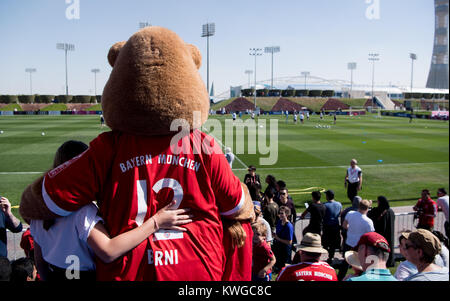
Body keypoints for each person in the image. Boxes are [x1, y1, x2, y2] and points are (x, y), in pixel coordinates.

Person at [31, 140, 193, 281]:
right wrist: (156, 222)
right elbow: (108, 251)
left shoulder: (38, 210)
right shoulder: (81, 211)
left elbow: (40, 263)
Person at [338, 199, 375, 280]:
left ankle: (340, 278)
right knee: (360, 264)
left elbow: (344, 225)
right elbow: (371, 235)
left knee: (345, 263)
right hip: (359, 246)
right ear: (367, 208)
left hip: (349, 242)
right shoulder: (368, 221)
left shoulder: (350, 214)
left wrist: (352, 230)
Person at [368, 196, 395, 267]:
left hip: (380, 234)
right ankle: (390, 261)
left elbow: (370, 215)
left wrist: (369, 206)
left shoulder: (379, 210)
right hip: (389, 233)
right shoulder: (390, 211)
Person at [322, 190, 342, 264]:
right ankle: (331, 256)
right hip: (335, 226)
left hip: (327, 226)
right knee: (333, 244)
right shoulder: (339, 204)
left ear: (327, 196)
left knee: (325, 242)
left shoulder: (325, 205)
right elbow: (340, 213)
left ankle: (328, 255)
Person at [272, 206, 294, 273]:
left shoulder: (289, 226)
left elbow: (289, 242)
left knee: (284, 268)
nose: (280, 215)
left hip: (285, 249)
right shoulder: (279, 221)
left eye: (282, 213)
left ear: (287, 215)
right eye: (279, 213)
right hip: (279, 248)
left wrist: (278, 238)